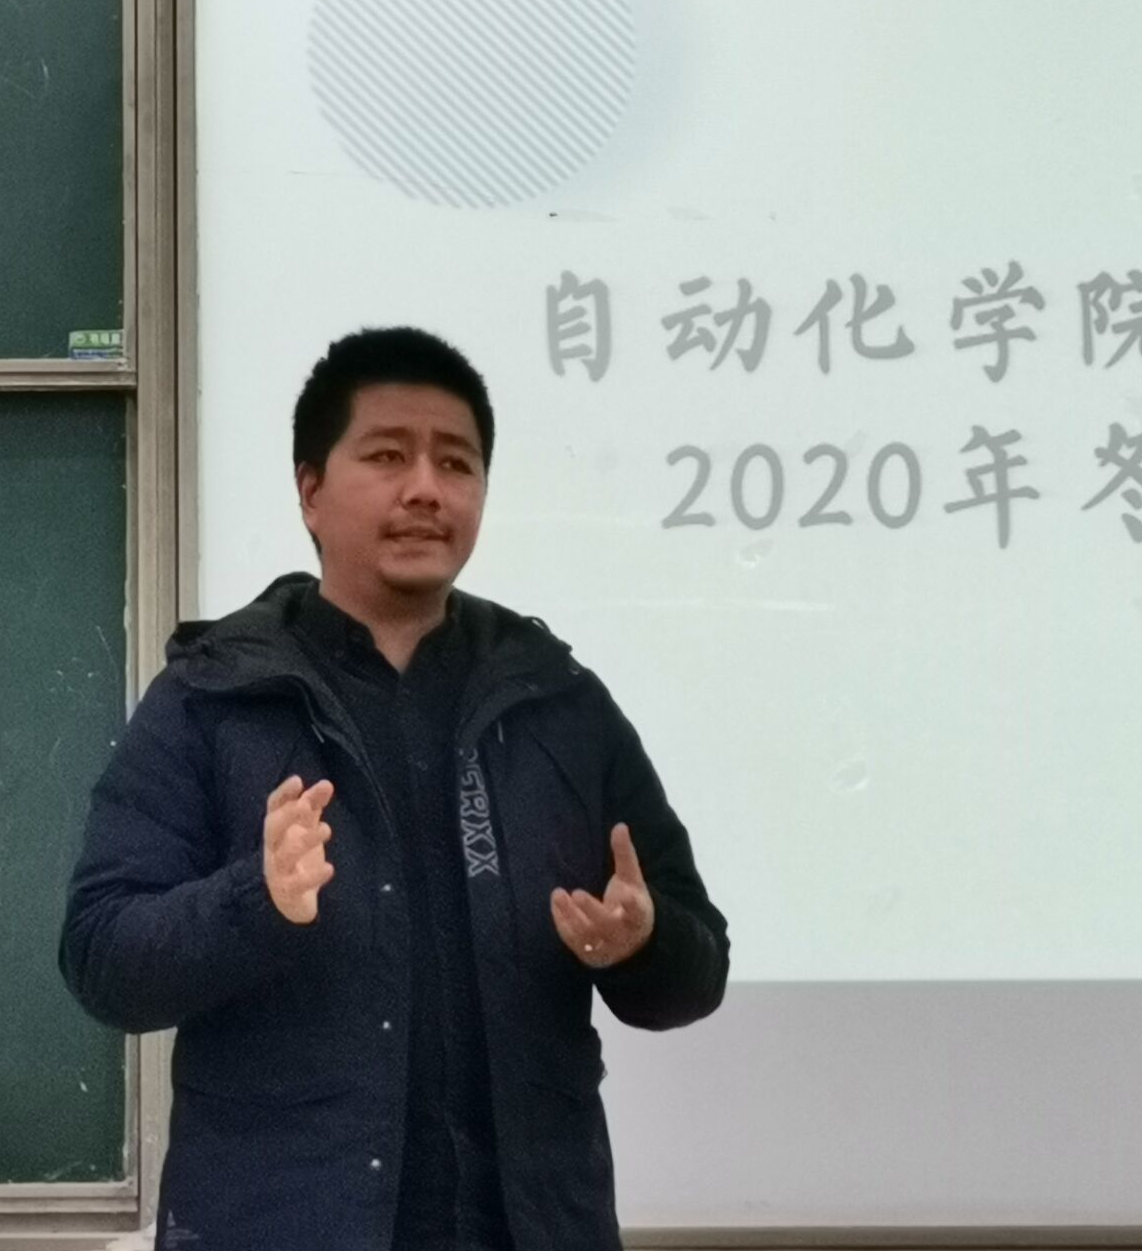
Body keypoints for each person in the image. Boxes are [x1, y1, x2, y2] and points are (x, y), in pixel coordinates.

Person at [60, 327, 729, 1251]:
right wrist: (256, 900)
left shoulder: (557, 701)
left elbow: (697, 972)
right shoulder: (215, 697)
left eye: (456, 463)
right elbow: (102, 959)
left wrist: (643, 945)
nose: (426, 488)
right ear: (310, 489)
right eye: (386, 456)